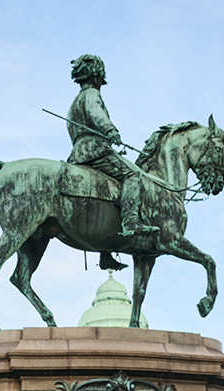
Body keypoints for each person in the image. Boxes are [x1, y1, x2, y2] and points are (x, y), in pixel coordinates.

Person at [66, 54, 159, 260]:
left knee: (105, 192)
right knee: (132, 176)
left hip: (77, 153)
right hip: (94, 149)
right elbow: (96, 113)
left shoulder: (74, 103)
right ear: (97, 77)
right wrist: (110, 130)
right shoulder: (91, 95)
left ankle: (105, 252)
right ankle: (131, 221)